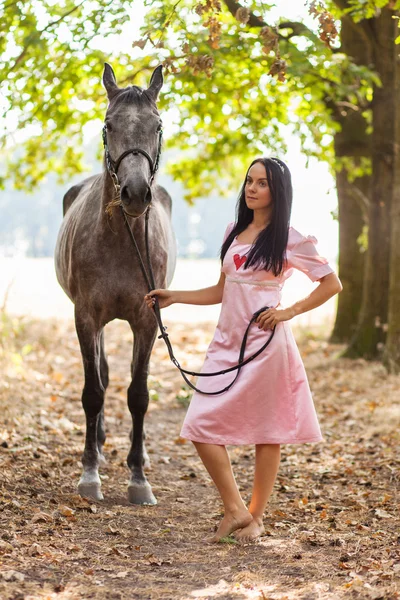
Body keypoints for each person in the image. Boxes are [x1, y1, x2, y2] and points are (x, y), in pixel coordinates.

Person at [144, 157, 342, 543]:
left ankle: (254, 518)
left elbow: (331, 284)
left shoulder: (288, 237)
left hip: (267, 345)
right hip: (226, 341)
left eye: (262, 183)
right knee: (200, 424)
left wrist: (287, 312)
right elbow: (222, 291)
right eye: (249, 181)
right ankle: (235, 508)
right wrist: (175, 297)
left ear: (277, 191)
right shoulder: (234, 230)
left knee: (268, 434)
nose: (252, 188)